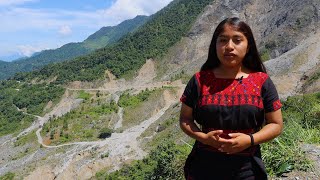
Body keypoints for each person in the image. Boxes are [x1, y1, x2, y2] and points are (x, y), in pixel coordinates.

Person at [179, 17, 283, 180]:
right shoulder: (200, 80)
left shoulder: (262, 81)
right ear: (215, 45)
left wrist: (249, 140)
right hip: (203, 167)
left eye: (237, 40)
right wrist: (204, 138)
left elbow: (276, 124)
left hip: (247, 169)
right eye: (223, 40)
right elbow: (185, 119)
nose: (229, 47)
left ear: (248, 46)